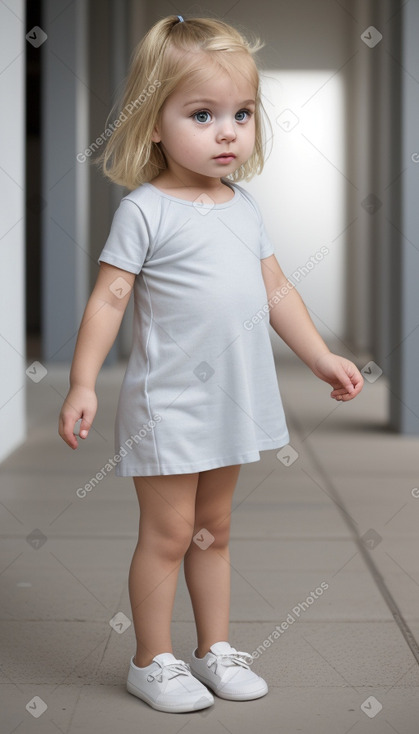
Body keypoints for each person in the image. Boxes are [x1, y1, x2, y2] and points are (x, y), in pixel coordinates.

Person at [58, 14, 364, 714]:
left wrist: (319, 355)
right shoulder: (145, 211)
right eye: (203, 114)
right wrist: (81, 382)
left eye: (241, 114)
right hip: (168, 405)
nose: (227, 130)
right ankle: (151, 659)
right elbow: (108, 300)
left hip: (234, 399)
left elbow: (277, 290)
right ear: (154, 124)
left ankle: (213, 650)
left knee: (213, 530)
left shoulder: (242, 206)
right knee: (167, 534)